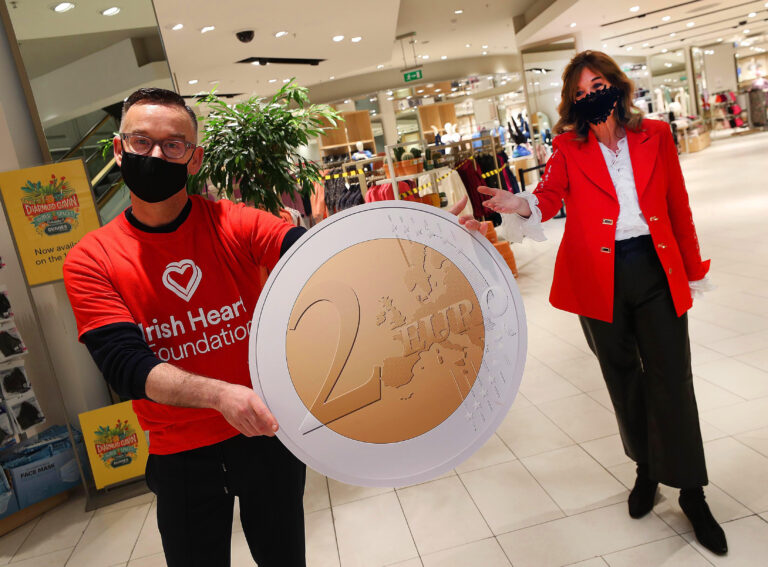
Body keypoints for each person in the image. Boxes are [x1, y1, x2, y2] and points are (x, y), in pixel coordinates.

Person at [64, 87, 480, 567]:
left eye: (173, 144)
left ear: (194, 159)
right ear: (119, 150)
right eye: (140, 142)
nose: (155, 154)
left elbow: (323, 258)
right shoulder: (91, 258)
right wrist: (220, 395)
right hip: (180, 455)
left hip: (266, 435)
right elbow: (125, 366)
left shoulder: (232, 223)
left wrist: (430, 244)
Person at [460, 50, 727, 555]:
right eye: (580, 92)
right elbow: (550, 194)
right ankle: (646, 470)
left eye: (597, 84)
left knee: (672, 377)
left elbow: (677, 205)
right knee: (623, 378)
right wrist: (517, 204)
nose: (591, 95)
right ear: (572, 102)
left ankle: (692, 491)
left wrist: (692, 270)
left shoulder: (657, 136)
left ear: (616, 85)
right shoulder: (567, 145)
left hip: (653, 267)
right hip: (597, 278)